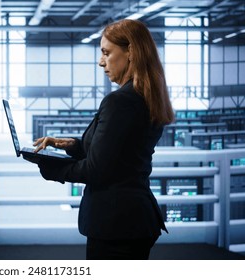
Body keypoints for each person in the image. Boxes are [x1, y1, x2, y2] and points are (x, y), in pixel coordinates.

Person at [31, 19, 174, 260]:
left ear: (131, 52)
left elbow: (97, 170)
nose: (101, 62)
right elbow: (120, 155)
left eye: (107, 53)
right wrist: (72, 145)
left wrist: (51, 166)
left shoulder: (120, 101)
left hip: (116, 223)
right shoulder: (146, 97)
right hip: (133, 218)